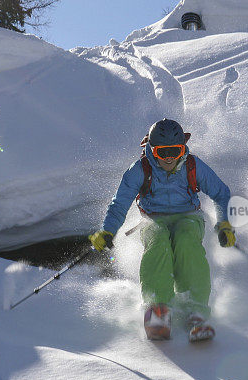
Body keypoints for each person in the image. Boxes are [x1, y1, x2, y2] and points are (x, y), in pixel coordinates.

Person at [89, 118, 236, 341]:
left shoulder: (193, 166)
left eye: (174, 151)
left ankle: (195, 312)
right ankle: (158, 310)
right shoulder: (140, 169)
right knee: (158, 240)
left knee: (186, 240)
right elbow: (119, 203)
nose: (169, 157)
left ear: (182, 148)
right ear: (152, 150)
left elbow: (221, 193)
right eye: (162, 152)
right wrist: (107, 230)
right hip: (153, 219)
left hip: (188, 216)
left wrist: (224, 223)